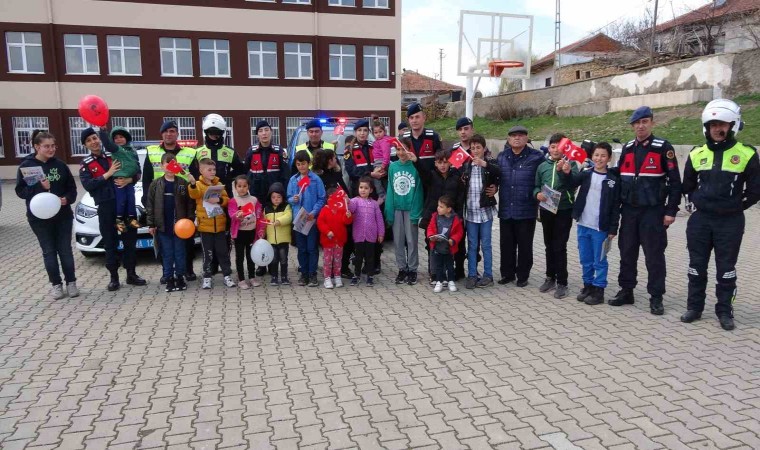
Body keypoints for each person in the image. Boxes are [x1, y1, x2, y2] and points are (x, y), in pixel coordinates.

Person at [680, 99, 760, 331]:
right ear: (706, 127)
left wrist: (734, 207)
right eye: (713, 124)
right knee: (696, 267)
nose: (717, 129)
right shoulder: (697, 153)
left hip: (730, 222)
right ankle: (694, 308)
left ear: (733, 125)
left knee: (726, 270)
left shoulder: (746, 153)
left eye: (722, 124)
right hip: (701, 221)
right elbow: (688, 185)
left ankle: (725, 311)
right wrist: (696, 203)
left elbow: (755, 190)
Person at [612, 106, 682, 315]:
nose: (640, 126)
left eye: (644, 122)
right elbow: (619, 175)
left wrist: (671, 211)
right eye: (636, 123)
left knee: (654, 256)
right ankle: (627, 291)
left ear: (652, 123)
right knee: (627, 252)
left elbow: (675, 182)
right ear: (632, 126)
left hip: (653, 212)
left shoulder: (663, 148)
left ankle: (656, 297)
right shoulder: (627, 148)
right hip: (629, 211)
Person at [80, 128, 147, 291]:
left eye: (95, 138)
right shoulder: (86, 163)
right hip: (107, 209)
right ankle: (114, 278)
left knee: (130, 240)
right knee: (110, 243)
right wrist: (107, 174)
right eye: (89, 140)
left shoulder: (115, 152)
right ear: (85, 145)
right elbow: (88, 185)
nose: (93, 142)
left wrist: (130, 179)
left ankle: (131, 274)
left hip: (126, 207)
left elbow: (137, 171)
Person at [15, 130, 79, 299]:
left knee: (65, 251)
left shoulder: (60, 165)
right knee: (49, 252)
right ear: (37, 147)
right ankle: (56, 285)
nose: (51, 149)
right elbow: (21, 191)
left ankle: (71, 282)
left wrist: (67, 199)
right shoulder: (27, 166)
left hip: (62, 216)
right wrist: (39, 187)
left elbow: (72, 189)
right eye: (46, 146)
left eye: (53, 146)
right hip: (39, 219)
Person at [563, 142, 620, 305]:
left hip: (601, 228)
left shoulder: (613, 180)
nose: (599, 158)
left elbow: (616, 206)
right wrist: (566, 173)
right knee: (585, 258)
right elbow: (571, 184)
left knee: (599, 260)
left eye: (603, 156)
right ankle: (588, 285)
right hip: (583, 224)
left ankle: (599, 290)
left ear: (609, 158)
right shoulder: (586, 174)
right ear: (592, 156)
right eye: (596, 155)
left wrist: (613, 228)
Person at [142, 120, 199, 281]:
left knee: (185, 241)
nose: (169, 134)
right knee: (164, 244)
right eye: (166, 131)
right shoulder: (151, 151)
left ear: (177, 134)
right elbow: (146, 179)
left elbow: (195, 178)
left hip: (183, 203)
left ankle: (187, 270)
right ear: (162, 134)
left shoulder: (189, 153)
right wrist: (147, 202)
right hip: (160, 204)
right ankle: (166, 273)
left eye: (172, 131)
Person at [497, 125, 544, 287]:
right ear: (508, 139)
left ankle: (523, 276)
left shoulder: (536, 157)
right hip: (506, 209)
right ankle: (507, 274)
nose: (516, 138)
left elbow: (544, 176)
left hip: (526, 209)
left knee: (525, 246)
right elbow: (495, 177)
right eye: (513, 135)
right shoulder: (502, 157)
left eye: (520, 135)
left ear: (526, 138)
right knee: (506, 245)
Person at [533, 133, 579, 299]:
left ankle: (562, 282)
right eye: (553, 147)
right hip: (547, 209)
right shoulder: (542, 166)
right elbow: (536, 185)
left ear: (565, 149)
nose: (556, 150)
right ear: (549, 148)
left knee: (560, 246)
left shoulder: (571, 164)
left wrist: (563, 171)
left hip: (564, 210)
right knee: (549, 245)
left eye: (559, 147)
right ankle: (550, 277)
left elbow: (573, 184)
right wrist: (537, 194)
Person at [245, 119, 290, 278]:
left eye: (266, 130)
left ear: (271, 132)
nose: (264, 133)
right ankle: (261, 263)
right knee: (260, 230)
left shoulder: (279, 151)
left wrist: (283, 196)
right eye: (260, 131)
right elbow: (246, 174)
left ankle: (273, 264)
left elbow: (286, 174)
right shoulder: (251, 151)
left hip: (274, 199)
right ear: (257, 134)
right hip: (257, 198)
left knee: (272, 230)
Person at [146, 153, 194, 293]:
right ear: (162, 166)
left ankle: (180, 277)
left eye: (174, 164)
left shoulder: (182, 183)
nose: (170, 167)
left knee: (180, 253)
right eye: (167, 164)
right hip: (163, 226)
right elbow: (150, 205)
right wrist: (151, 224)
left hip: (180, 227)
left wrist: (190, 219)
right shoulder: (155, 184)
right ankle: (169, 278)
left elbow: (189, 203)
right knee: (167, 254)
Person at [188, 158, 235, 289]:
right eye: (209, 170)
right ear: (201, 171)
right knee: (207, 253)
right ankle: (207, 277)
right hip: (205, 226)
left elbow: (227, 200)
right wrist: (192, 183)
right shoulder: (198, 184)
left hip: (219, 225)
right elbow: (194, 194)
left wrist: (219, 200)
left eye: (214, 169)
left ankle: (227, 275)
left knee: (223, 252)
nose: (213, 172)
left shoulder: (218, 184)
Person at [420, 150, 465, 283]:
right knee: (432, 246)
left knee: (450, 246)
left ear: (450, 163)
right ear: (435, 163)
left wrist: (459, 217)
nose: (443, 165)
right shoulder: (431, 176)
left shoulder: (456, 177)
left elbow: (460, 198)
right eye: (440, 162)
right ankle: (434, 273)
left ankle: (452, 272)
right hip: (433, 218)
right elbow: (422, 171)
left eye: (445, 162)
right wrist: (416, 160)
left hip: (451, 218)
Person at [461, 134, 500, 289]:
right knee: (472, 245)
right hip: (471, 212)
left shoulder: (490, 163)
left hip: (485, 211)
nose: (475, 150)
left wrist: (485, 164)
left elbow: (499, 173)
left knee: (486, 244)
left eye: (478, 147)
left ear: (484, 149)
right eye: (473, 148)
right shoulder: (466, 165)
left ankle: (488, 275)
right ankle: (472, 274)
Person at [385, 138, 424, 285]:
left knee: (411, 241)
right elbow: (390, 188)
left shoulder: (414, 166)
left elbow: (418, 190)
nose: (401, 152)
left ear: (409, 150)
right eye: (398, 149)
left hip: (410, 209)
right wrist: (389, 209)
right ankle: (402, 268)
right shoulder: (393, 167)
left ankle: (412, 269)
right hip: (396, 208)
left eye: (404, 149)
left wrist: (416, 211)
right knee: (398, 240)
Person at [312, 147, 353, 278]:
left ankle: (343, 267)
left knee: (346, 240)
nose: (336, 159)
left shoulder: (335, 173)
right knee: (330, 243)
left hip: (342, 213)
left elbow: (343, 188)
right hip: (329, 215)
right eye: (334, 158)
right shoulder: (320, 177)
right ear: (330, 160)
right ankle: (330, 270)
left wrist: (347, 198)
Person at [288, 150, 326, 287]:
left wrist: (314, 212)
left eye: (303, 164)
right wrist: (293, 199)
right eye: (298, 164)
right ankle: (303, 273)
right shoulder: (293, 180)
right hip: (299, 219)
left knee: (312, 248)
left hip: (311, 219)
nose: (301, 167)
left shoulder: (316, 179)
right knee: (302, 248)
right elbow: (288, 198)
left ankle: (312, 274)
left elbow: (322, 198)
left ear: (309, 164)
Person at [228, 175, 264, 290]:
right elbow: (231, 213)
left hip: (251, 232)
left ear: (248, 186)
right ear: (235, 187)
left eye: (244, 186)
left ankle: (252, 277)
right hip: (239, 233)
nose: (242, 188)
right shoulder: (233, 201)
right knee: (240, 257)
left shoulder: (254, 200)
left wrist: (261, 229)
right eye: (239, 186)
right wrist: (237, 215)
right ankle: (241, 279)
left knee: (251, 255)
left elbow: (259, 213)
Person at [349, 177, 385, 287]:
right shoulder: (355, 201)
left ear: (371, 190)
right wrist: (347, 201)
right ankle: (356, 275)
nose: (363, 190)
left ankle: (370, 276)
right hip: (358, 235)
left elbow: (379, 219)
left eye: (366, 188)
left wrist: (381, 233)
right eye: (361, 187)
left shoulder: (374, 204)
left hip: (371, 235)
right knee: (358, 257)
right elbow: (351, 209)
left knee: (370, 257)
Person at [427, 195, 464, 293]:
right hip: (437, 248)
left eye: (441, 207)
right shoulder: (435, 217)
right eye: (438, 206)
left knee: (450, 266)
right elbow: (430, 228)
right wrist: (431, 236)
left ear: (448, 209)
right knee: (439, 266)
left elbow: (459, 232)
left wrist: (453, 239)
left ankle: (451, 281)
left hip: (449, 249)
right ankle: (439, 282)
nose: (438, 208)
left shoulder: (455, 219)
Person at [317, 187, 353, 289]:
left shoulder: (342, 209)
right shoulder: (324, 210)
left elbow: (347, 222)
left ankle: (337, 276)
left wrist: (348, 216)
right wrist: (327, 231)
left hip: (339, 240)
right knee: (328, 261)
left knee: (338, 261)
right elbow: (320, 222)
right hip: (328, 241)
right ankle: (327, 278)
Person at [400, 103, 443, 188]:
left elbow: (440, 159)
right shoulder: (403, 139)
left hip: (429, 183)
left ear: (424, 118)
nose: (414, 120)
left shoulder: (433, 137)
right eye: (411, 118)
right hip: (409, 184)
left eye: (417, 117)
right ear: (408, 120)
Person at [109, 127, 141, 232]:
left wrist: (130, 180)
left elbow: (138, 171)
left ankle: (132, 219)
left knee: (131, 199)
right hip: (118, 180)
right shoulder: (114, 151)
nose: (119, 139)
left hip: (130, 181)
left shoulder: (133, 152)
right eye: (116, 138)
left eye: (121, 137)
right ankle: (119, 220)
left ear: (126, 138)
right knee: (121, 200)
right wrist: (103, 132)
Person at [263, 183, 292, 286]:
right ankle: (274, 277)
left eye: (279, 197)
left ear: (283, 197)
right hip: (271, 240)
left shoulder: (286, 206)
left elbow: (288, 217)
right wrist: (262, 233)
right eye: (273, 197)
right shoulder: (266, 209)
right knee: (274, 260)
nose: (276, 199)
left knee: (283, 260)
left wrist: (279, 221)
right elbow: (264, 222)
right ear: (270, 198)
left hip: (283, 239)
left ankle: (284, 277)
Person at [371, 119, 392, 204]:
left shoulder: (384, 141)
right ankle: (387, 195)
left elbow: (386, 154)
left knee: (376, 178)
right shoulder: (378, 141)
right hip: (379, 162)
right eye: (376, 132)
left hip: (381, 162)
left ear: (384, 131)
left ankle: (382, 195)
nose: (378, 134)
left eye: (380, 131)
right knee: (382, 180)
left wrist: (383, 166)